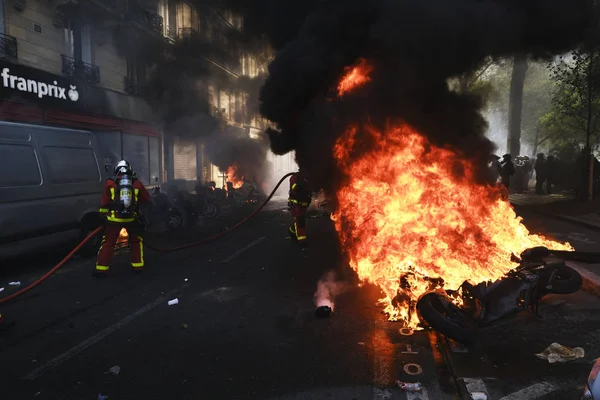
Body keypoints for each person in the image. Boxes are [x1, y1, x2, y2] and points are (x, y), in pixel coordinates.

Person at [94, 160, 151, 276]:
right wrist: (134, 204)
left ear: (117, 170)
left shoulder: (110, 183)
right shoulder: (136, 183)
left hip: (114, 219)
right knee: (136, 241)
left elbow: (104, 203)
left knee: (108, 243)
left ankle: (101, 269)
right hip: (132, 219)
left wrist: (102, 216)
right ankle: (138, 266)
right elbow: (146, 199)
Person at [288, 170, 312, 245]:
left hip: (303, 204)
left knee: (299, 220)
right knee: (300, 220)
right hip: (296, 204)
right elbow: (293, 188)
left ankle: (291, 230)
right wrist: (299, 184)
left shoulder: (308, 178)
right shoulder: (295, 177)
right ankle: (302, 241)